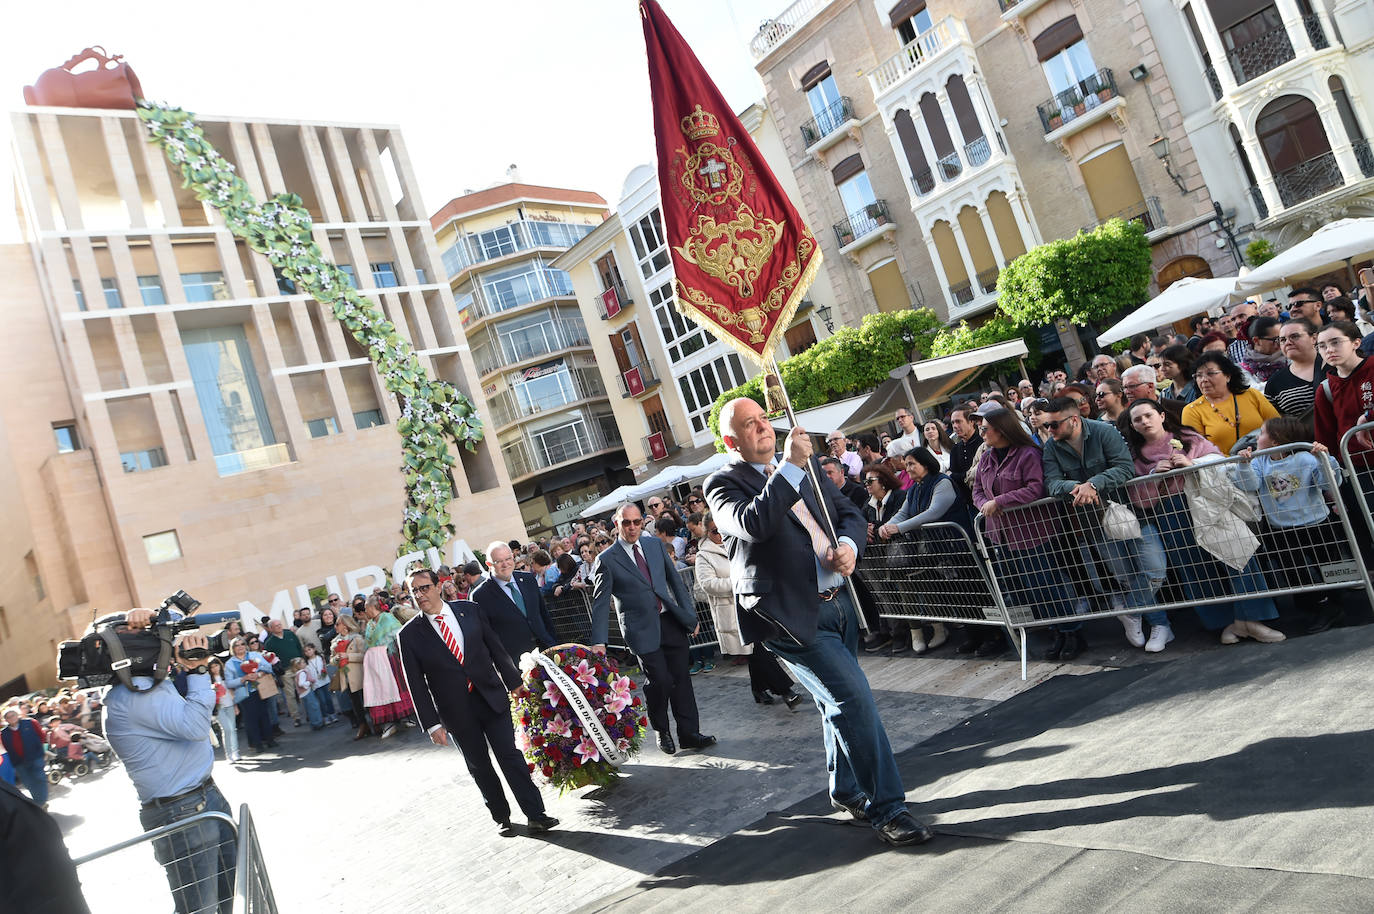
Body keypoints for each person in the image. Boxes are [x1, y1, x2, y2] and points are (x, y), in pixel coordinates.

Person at [705, 397, 933, 848]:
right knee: (855, 700)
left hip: (838, 601)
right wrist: (790, 468)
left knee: (837, 702)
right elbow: (755, 524)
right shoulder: (722, 484)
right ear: (731, 441)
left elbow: (847, 509)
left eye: (764, 420)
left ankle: (846, 790)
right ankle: (888, 808)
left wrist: (849, 543)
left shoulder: (805, 470)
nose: (763, 428)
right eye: (749, 425)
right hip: (789, 617)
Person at [397, 568, 558, 834]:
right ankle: (502, 818)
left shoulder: (469, 610)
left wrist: (514, 682)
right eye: (414, 591)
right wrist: (432, 724)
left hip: (491, 697)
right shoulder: (409, 635)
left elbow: (495, 648)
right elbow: (415, 685)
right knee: (480, 765)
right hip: (456, 711)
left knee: (510, 755)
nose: (419, 595)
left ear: (439, 586)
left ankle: (536, 814)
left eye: (424, 587)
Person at [103, 609, 235, 914]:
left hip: (200, 799)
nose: (159, 640)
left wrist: (151, 616)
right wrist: (199, 671)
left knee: (231, 894)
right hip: (183, 812)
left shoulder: (150, 683)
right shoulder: (133, 694)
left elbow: (172, 616)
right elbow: (196, 727)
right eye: (146, 636)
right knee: (200, 909)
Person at [1121, 399, 1283, 645]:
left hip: (1206, 502)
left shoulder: (1187, 437)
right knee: (1194, 569)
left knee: (1239, 554)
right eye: (1137, 419)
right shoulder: (1136, 457)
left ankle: (1252, 619)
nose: (1144, 422)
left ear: (1162, 416)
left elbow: (1218, 460)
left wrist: (1191, 463)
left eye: (1148, 415)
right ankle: (1226, 623)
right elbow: (1138, 498)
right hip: (1169, 512)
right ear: (1132, 426)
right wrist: (1154, 477)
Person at [590, 502, 714, 756]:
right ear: (617, 524)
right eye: (626, 523)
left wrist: (689, 616)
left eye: (637, 522)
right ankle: (661, 729)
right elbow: (601, 603)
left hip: (669, 620)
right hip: (640, 629)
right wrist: (599, 641)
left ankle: (689, 734)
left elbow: (676, 583)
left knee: (681, 680)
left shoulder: (654, 545)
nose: (633, 527)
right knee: (661, 681)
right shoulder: (607, 559)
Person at [1040, 395, 1155, 650]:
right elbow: (1052, 482)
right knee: (1125, 575)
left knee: (1153, 570)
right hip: (1094, 522)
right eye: (1047, 425)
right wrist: (1079, 488)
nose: (1049, 430)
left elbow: (1125, 468)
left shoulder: (1105, 432)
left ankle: (1135, 614)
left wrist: (1094, 484)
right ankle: (1158, 624)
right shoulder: (1051, 447)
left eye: (1054, 424)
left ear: (1074, 420)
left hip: (1131, 512)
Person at [972, 407, 1084, 660]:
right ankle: (1056, 630)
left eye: (984, 429)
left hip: (1032, 532)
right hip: (1002, 535)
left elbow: (1036, 488)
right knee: (1031, 588)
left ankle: (1072, 631)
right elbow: (977, 489)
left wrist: (1000, 501)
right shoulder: (988, 458)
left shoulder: (1028, 454)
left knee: (1048, 583)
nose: (982, 433)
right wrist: (984, 505)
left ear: (1001, 430)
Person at [1235, 416, 1347, 633]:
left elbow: (1328, 484)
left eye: (1262, 433)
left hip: (1316, 522)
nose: (1257, 438)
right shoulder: (1260, 461)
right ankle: (1322, 606)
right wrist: (1244, 464)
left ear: (1276, 440)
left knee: (1329, 564)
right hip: (1282, 529)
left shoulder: (1305, 458)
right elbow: (1249, 484)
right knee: (1294, 570)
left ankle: (1338, 601)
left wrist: (1325, 459)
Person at [693, 510, 801, 708]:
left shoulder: (735, 541)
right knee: (759, 651)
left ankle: (758, 689)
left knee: (757, 651)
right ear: (707, 532)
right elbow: (708, 584)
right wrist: (738, 582)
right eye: (714, 531)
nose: (719, 534)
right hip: (732, 612)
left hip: (752, 606)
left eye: (721, 529)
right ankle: (786, 690)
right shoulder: (703, 556)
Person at [879, 448, 967, 654]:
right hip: (937, 550)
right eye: (906, 464)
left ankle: (991, 635)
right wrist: (887, 526)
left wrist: (899, 528)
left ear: (925, 464)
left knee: (970, 590)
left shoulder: (942, 482)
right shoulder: (915, 489)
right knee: (958, 595)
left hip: (956, 545)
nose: (907, 468)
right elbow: (903, 513)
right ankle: (973, 636)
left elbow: (933, 512)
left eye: (911, 464)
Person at [471, 543, 558, 663]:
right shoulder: (480, 595)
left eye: (508, 559)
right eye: (499, 561)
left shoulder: (528, 579)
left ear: (513, 557)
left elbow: (544, 614)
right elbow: (487, 637)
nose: (505, 564)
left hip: (548, 650)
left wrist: (554, 643)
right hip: (517, 661)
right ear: (489, 565)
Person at [1182, 352, 1280, 453]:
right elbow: (1197, 451)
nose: (1204, 380)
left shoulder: (1250, 394)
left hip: (1265, 459)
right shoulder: (1192, 411)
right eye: (1198, 375)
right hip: (1222, 466)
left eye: (1210, 373)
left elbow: (1277, 426)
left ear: (1228, 376)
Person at [1314, 321, 1374, 460]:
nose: (1329, 350)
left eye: (1335, 342)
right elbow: (1326, 437)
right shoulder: (1325, 389)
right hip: (1357, 465)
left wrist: (1368, 416)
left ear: (1356, 343)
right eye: (1322, 346)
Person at [360, 595, 415, 739]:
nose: (365, 610)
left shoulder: (387, 618)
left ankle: (405, 717)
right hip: (376, 663)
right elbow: (368, 643)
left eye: (366, 607)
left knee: (396, 686)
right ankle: (389, 723)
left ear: (373, 607)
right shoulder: (370, 624)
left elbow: (396, 636)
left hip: (390, 659)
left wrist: (385, 649)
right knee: (381, 690)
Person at [224, 637, 274, 754]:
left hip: (260, 689)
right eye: (237, 645)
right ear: (233, 648)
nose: (240, 647)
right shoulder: (230, 664)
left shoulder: (253, 655)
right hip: (244, 694)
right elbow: (229, 682)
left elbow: (268, 667)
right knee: (251, 719)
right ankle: (257, 744)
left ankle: (269, 739)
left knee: (264, 715)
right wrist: (243, 678)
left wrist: (259, 674)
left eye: (242, 644)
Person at [1266, 319, 1324, 418]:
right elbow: (1277, 424)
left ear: (1314, 338)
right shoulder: (1275, 383)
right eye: (1283, 340)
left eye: (1295, 336)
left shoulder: (1336, 366)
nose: (1288, 342)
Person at [332, 615, 371, 739]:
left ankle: (376, 722)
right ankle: (363, 725)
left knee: (368, 700)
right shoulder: (334, 642)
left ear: (345, 625)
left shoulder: (357, 638)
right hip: (346, 676)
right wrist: (336, 658)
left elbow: (364, 655)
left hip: (359, 675)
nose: (335, 626)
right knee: (355, 703)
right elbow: (331, 660)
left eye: (337, 624)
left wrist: (349, 657)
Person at [260, 619, 303, 728]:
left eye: (280, 625)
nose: (279, 627)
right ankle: (296, 717)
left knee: (304, 690)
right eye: (276, 626)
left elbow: (299, 647)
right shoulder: (269, 643)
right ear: (271, 628)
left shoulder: (290, 634)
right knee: (290, 695)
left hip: (299, 666)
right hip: (285, 670)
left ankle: (311, 713)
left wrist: (303, 661)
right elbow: (269, 660)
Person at [1, 708, 47, 808]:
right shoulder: (4, 733)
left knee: (39, 778)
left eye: (13, 715)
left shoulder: (30, 723)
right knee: (28, 783)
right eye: (8, 717)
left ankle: (41, 802)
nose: (11, 718)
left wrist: (41, 750)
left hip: (35, 757)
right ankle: (39, 801)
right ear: (6, 720)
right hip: (19, 762)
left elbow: (42, 736)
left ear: (17, 715)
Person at [948, 405, 983, 507]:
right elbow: (953, 477)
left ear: (971, 421)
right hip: (968, 502)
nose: (955, 426)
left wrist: (959, 476)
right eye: (953, 422)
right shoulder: (955, 449)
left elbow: (981, 474)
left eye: (958, 421)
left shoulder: (982, 443)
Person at [1238, 316, 1288, 386]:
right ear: (1256, 341)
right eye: (1276, 339)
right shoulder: (1243, 370)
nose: (1281, 343)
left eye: (1283, 339)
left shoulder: (1291, 358)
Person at [207, 657, 238, 763]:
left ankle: (236, 752)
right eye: (212, 667)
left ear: (220, 665)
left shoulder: (226, 676)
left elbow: (232, 692)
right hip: (219, 707)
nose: (215, 668)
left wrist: (235, 705)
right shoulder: (209, 681)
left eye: (216, 665)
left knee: (233, 729)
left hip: (230, 704)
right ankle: (229, 754)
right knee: (226, 730)